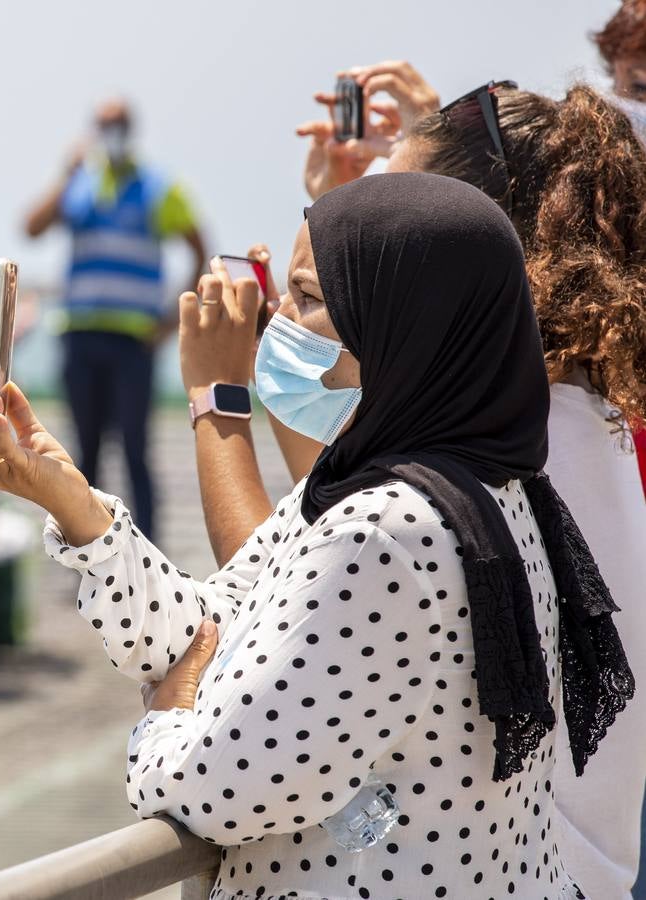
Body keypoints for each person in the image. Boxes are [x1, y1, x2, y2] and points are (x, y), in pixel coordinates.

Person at [0, 173, 633, 899]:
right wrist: (79, 511)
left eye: (307, 300)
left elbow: (213, 790)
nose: (274, 323)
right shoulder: (472, 486)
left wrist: (169, 716)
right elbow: (211, 622)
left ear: (398, 326)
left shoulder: (387, 532)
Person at [234, 68, 646, 899]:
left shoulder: (524, 445)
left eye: (401, 204)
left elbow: (303, 583)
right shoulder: (565, 412)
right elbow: (325, 507)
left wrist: (218, 405)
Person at [23, 98, 207, 538]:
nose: (112, 132)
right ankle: (85, 549)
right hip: (80, 334)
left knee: (135, 451)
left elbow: (199, 249)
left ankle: (147, 550)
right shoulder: (80, 183)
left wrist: (170, 323)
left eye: (118, 124)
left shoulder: (159, 188)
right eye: (104, 124)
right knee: (82, 453)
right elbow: (31, 228)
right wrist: (66, 173)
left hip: (132, 341)